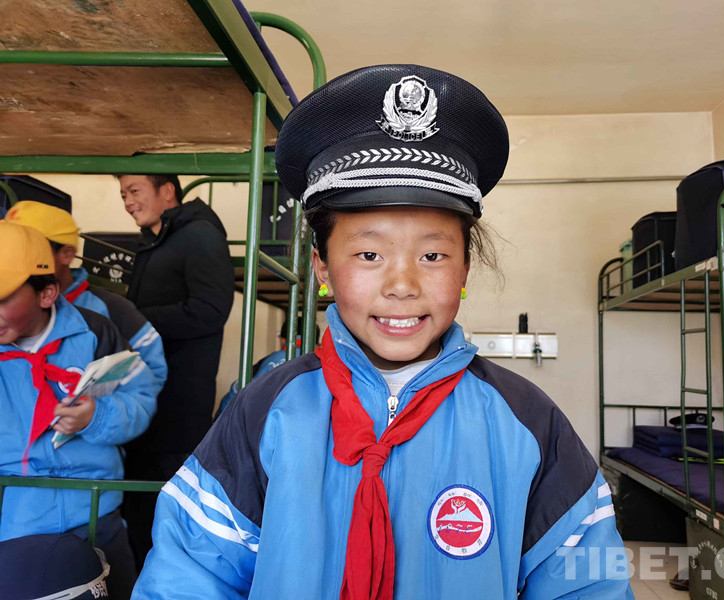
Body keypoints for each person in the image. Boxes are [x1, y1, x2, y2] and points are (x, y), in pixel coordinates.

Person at [132, 65, 633, 599]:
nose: (402, 286)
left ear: (465, 269)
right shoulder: (264, 411)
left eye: (433, 255)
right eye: (369, 254)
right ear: (322, 266)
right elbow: (191, 574)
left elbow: (588, 584)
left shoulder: (527, 423)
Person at [0, 221, 158, 598]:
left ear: (47, 293)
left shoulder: (95, 333)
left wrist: (96, 417)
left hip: (96, 508)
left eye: (2, 298)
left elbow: (141, 396)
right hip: (16, 517)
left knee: (117, 589)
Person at [115, 174, 234, 567]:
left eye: (135, 191)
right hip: (146, 401)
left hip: (178, 405)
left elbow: (211, 310)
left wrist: (136, 321)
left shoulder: (200, 236)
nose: (128, 202)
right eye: (123, 194)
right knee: (137, 513)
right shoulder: (154, 241)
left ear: (167, 190)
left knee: (165, 515)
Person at [5, 200, 168, 396]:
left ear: (66, 254)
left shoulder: (111, 310)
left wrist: (99, 409)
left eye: (30, 247)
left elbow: (151, 375)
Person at [215, 320, 321, 419]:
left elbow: (235, 394)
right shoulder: (322, 364)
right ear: (318, 344)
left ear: (282, 339)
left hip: (264, 427)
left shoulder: (267, 362)